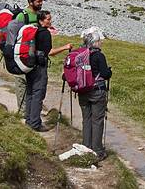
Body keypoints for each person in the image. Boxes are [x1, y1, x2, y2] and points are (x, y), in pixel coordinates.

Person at [25, 10, 72, 132]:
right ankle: (35, 124)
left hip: (30, 65)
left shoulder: (34, 30)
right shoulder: (45, 33)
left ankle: (29, 120)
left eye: (50, 19)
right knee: (38, 94)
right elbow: (49, 52)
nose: (50, 21)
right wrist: (65, 47)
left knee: (30, 92)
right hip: (40, 67)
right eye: (48, 19)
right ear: (41, 20)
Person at [78, 26, 112, 160]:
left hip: (82, 90)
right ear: (95, 42)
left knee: (86, 119)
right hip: (97, 91)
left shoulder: (81, 54)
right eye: (99, 41)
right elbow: (105, 74)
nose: (101, 43)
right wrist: (109, 72)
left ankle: (86, 146)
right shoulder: (99, 55)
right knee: (97, 120)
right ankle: (97, 150)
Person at [13, 0, 45, 111]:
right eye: (38, 1)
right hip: (23, 55)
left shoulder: (40, 15)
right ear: (30, 2)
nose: (41, 3)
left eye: (41, 1)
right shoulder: (22, 16)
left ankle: (32, 111)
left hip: (37, 54)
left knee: (35, 84)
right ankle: (22, 111)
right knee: (21, 82)